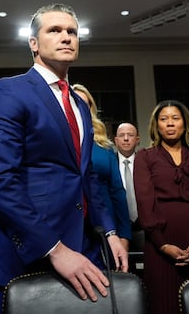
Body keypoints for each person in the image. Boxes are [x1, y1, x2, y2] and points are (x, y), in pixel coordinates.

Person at [0, 3, 128, 313]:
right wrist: (55, 249)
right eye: (55, 30)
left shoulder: (79, 103)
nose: (66, 37)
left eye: (72, 32)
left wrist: (110, 232)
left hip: (84, 247)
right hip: (29, 252)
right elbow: (0, 182)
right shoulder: (9, 91)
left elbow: (85, 177)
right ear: (33, 44)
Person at [134, 100, 189, 314]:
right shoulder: (145, 157)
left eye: (175, 118)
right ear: (156, 125)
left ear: (184, 124)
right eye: (164, 119)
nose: (170, 124)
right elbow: (145, 204)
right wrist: (163, 245)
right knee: (164, 305)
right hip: (160, 245)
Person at [72, 83, 131, 253]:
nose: (80, 107)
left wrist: (124, 235)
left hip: (106, 227)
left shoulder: (104, 147)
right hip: (72, 226)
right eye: (75, 102)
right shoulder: (59, 142)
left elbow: (118, 192)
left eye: (85, 103)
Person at [114, 122, 144, 251]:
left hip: (144, 228)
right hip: (117, 230)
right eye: (121, 135)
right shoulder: (109, 163)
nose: (126, 138)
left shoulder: (146, 163)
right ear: (115, 140)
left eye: (130, 135)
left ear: (137, 140)